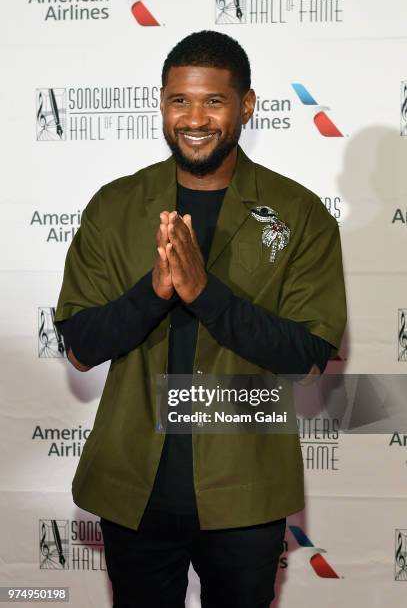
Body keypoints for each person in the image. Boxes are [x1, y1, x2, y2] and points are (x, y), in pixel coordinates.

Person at [54, 30, 346, 608]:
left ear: (246, 106)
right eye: (179, 100)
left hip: (246, 492)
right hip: (133, 489)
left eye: (213, 101)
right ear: (162, 103)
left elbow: (308, 355)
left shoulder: (298, 213)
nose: (195, 118)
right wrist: (155, 291)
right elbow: (80, 346)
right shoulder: (115, 206)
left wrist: (205, 293)